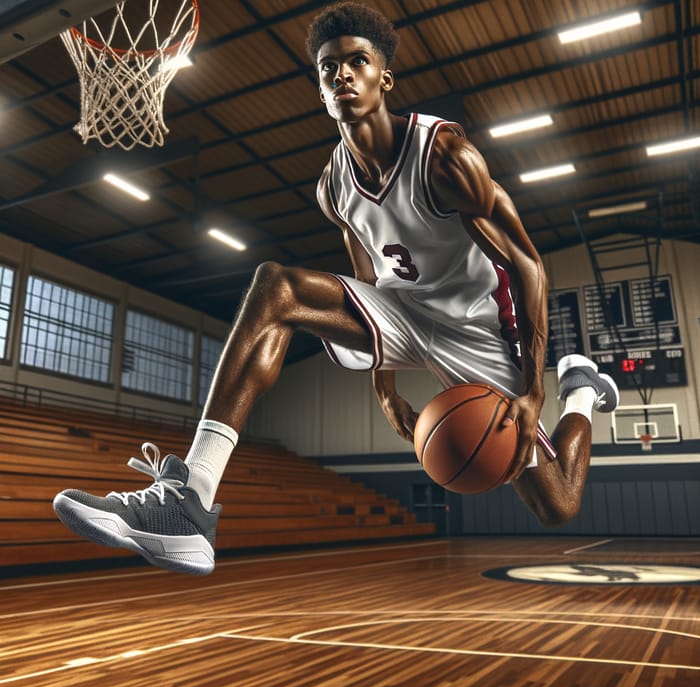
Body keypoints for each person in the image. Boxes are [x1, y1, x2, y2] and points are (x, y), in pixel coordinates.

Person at [53, 2, 618, 575]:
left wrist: (534, 390)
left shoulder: (444, 157)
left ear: (383, 77)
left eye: (357, 62)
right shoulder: (334, 187)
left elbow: (528, 263)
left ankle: (579, 389)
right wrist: (384, 387)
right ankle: (190, 500)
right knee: (276, 289)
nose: (342, 74)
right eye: (329, 68)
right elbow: (369, 280)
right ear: (320, 88)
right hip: (404, 311)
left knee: (557, 505)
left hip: (475, 327)